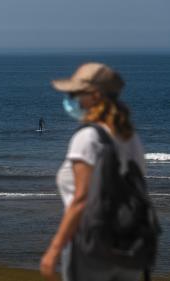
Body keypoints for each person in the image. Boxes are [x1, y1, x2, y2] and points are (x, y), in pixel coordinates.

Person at [41, 63, 147, 281]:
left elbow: (80, 199)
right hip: (129, 245)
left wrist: (54, 249)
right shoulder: (130, 137)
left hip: (90, 245)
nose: (74, 99)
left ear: (95, 95)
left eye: (77, 93)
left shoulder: (88, 137)